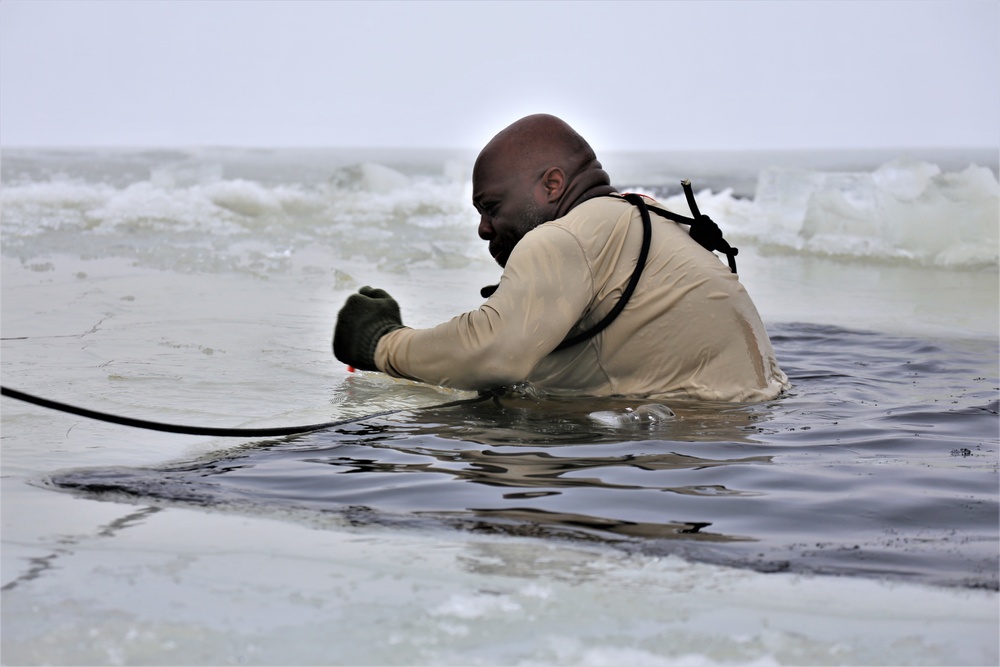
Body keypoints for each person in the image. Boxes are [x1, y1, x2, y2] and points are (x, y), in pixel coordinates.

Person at [333, 114, 788, 402]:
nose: (483, 228)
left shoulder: (564, 238)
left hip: (685, 447)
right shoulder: (652, 215)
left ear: (553, 185)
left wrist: (380, 342)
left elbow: (492, 354)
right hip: (751, 431)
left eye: (491, 207)